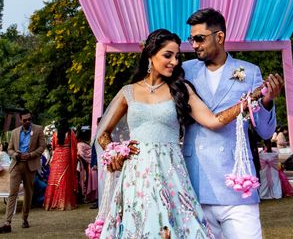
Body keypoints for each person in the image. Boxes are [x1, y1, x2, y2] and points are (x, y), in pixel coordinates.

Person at [90, 29, 268, 239]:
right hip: (136, 176)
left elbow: (214, 120)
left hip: (171, 173)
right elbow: (103, 134)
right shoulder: (128, 92)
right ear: (150, 55)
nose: (174, 62)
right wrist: (115, 153)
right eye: (168, 55)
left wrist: (250, 99)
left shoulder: (180, 89)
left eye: (177, 56)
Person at [181, 8, 283, 239]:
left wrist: (267, 101)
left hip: (237, 185)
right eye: (191, 39)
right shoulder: (184, 71)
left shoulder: (250, 71)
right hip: (195, 181)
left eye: (199, 38)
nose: (194, 45)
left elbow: (265, 132)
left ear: (219, 37)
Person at [0, 111, 46, 234]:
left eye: (29, 119)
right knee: (12, 193)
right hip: (17, 165)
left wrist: (30, 155)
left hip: (30, 165)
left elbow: (42, 146)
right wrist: (15, 155)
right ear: (20, 120)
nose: (28, 121)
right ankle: (7, 223)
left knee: (28, 193)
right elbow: (10, 149)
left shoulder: (38, 129)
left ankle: (25, 219)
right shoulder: (14, 132)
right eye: (25, 120)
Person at [44, 119, 78, 210]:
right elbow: (74, 147)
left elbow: (54, 145)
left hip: (57, 156)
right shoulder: (71, 133)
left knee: (54, 177)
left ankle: (51, 203)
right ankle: (63, 203)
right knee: (65, 178)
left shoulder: (56, 133)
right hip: (66, 155)